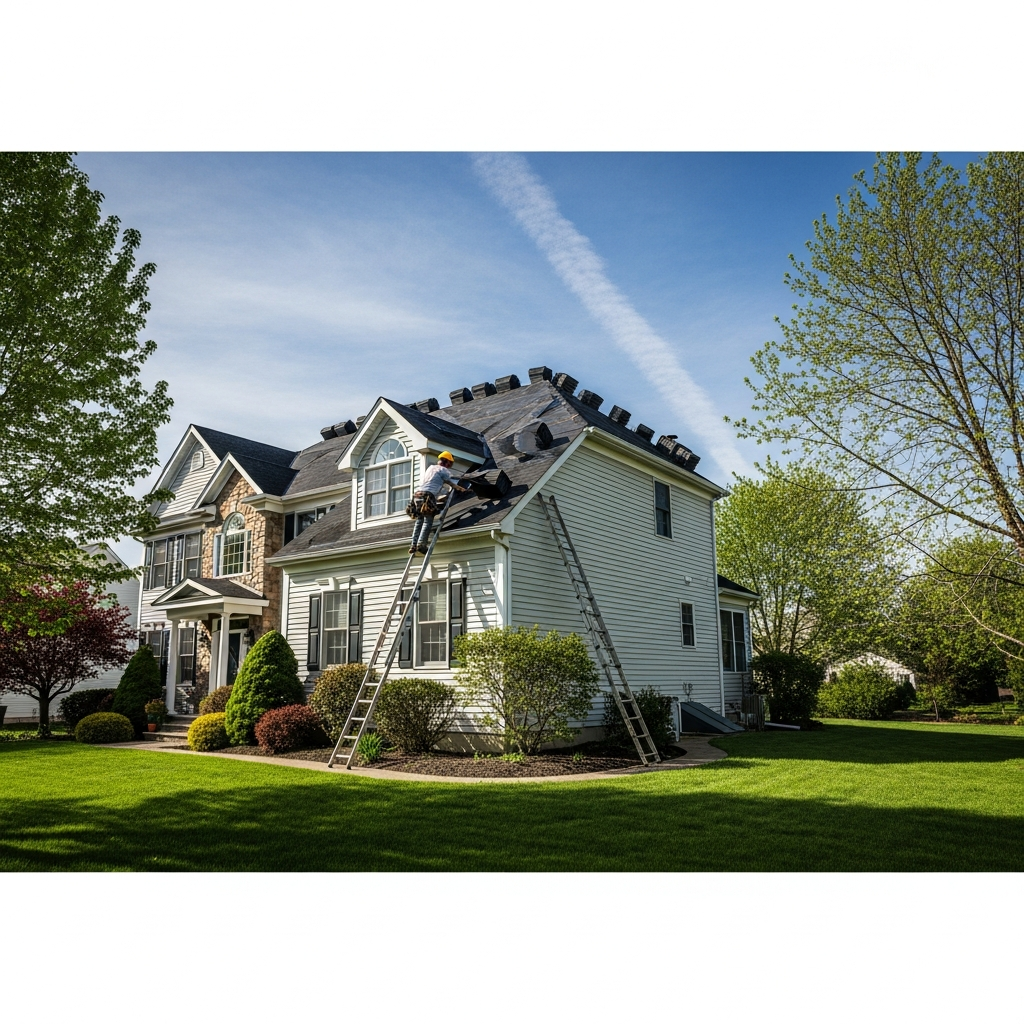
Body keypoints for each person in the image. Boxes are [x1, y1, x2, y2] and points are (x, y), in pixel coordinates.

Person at [408, 452, 469, 554]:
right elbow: (453, 484)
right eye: (450, 463)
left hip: (417, 496)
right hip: (427, 496)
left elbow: (434, 483)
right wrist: (463, 489)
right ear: (447, 462)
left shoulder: (431, 468)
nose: (450, 466)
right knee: (427, 521)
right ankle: (421, 545)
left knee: (419, 521)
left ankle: (413, 545)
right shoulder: (443, 470)